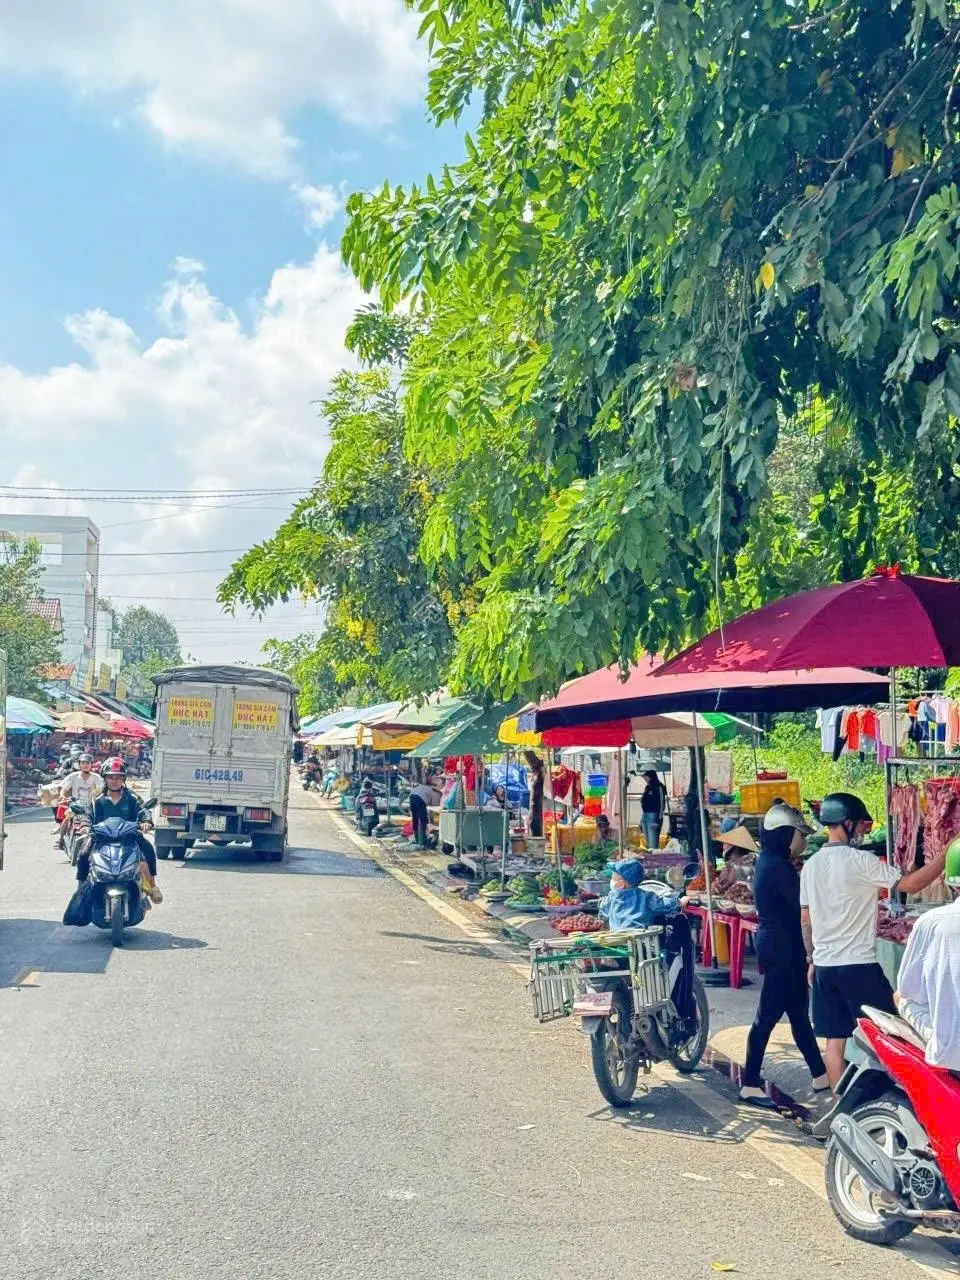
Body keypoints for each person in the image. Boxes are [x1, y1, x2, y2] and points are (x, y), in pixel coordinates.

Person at [800, 791, 947, 1089]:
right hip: (859, 967)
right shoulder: (861, 861)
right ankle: (898, 1098)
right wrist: (945, 857)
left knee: (834, 1043)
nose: (864, 831)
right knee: (896, 1033)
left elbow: (806, 920)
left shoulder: (810, 866)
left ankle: (839, 1109)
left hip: (826, 967)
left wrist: (812, 959)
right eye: (861, 825)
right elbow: (912, 884)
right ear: (847, 823)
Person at [738, 803, 828, 1107]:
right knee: (767, 1016)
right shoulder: (776, 866)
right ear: (784, 835)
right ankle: (750, 1083)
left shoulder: (773, 861)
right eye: (798, 834)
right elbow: (801, 905)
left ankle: (820, 1074)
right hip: (781, 948)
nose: (801, 841)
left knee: (800, 1015)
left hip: (783, 946)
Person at [895, 836, 960, 1070]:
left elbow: (909, 989)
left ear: (951, 882)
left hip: (952, 1053)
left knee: (901, 997)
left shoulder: (932, 922)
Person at [76, 757, 162, 904]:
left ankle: (152, 886)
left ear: (124, 779)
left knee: (148, 851)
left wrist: (146, 821)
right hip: (100, 838)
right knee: (83, 855)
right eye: (110, 777)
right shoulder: (96, 798)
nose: (114, 780)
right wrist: (84, 824)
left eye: (118, 777)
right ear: (105, 778)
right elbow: (87, 812)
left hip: (129, 837)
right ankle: (81, 888)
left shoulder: (132, 797)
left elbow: (143, 810)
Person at [56, 753, 104, 850]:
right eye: (83, 763)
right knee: (67, 818)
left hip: (91, 806)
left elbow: (101, 790)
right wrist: (62, 796)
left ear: (91, 764)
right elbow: (64, 789)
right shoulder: (73, 776)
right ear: (79, 764)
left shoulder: (97, 778)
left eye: (87, 763)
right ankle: (60, 840)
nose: (85, 765)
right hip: (75, 805)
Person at [409, 776, 441, 847]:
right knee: (423, 821)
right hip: (420, 800)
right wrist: (431, 821)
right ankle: (423, 841)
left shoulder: (426, 788)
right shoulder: (436, 794)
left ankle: (417, 840)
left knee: (415, 820)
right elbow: (432, 809)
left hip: (412, 797)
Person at [640, 770, 667, 851]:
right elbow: (644, 803)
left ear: (651, 777)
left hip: (654, 817)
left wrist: (659, 821)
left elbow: (661, 804)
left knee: (653, 846)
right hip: (645, 816)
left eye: (646, 777)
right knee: (648, 845)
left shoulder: (659, 787)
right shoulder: (647, 788)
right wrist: (641, 821)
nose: (645, 779)